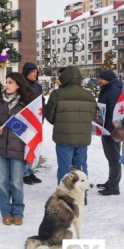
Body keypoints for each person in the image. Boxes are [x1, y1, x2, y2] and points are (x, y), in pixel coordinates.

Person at [44, 66, 96, 202]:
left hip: (64, 137)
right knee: (82, 166)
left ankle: (65, 196)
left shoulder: (57, 95)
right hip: (82, 137)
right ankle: (82, 196)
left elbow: (49, 115)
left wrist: (60, 121)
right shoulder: (89, 95)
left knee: (64, 168)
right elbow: (93, 116)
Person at [0, 72, 35, 225]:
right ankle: (5, 212)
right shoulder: (0, 101)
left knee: (16, 182)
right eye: (6, 82)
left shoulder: (25, 103)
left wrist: (13, 124)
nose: (6, 85)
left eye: (10, 82)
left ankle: (18, 212)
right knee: (2, 182)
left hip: (18, 148)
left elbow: (30, 127)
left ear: (18, 85)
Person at [96, 70, 122, 195]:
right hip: (105, 129)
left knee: (114, 158)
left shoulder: (114, 91)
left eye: (101, 79)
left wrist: (111, 129)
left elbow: (114, 112)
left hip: (111, 130)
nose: (99, 81)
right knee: (110, 157)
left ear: (109, 79)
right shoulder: (108, 89)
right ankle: (111, 181)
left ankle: (114, 186)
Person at [21, 62, 43, 185]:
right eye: (32, 72)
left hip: (36, 122)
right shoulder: (21, 85)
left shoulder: (37, 86)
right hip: (25, 122)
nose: (35, 74)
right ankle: (24, 173)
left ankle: (31, 170)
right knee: (25, 147)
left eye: (36, 72)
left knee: (34, 146)